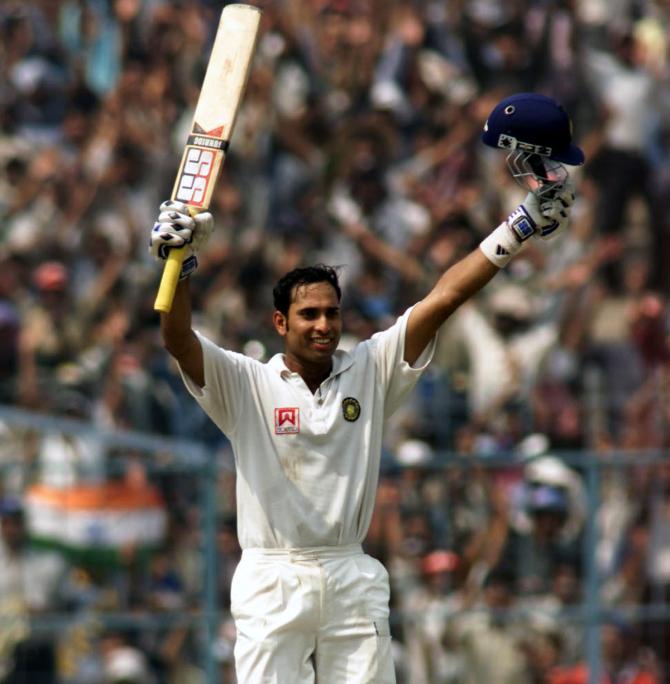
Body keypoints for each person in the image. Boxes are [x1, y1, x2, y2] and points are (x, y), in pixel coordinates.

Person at [148, 93, 580, 683]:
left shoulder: (371, 369)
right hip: (273, 577)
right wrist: (178, 266)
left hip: (350, 573)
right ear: (281, 323)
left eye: (331, 313)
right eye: (309, 316)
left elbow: (444, 297)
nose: (323, 325)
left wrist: (520, 225)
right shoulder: (246, 383)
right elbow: (177, 339)